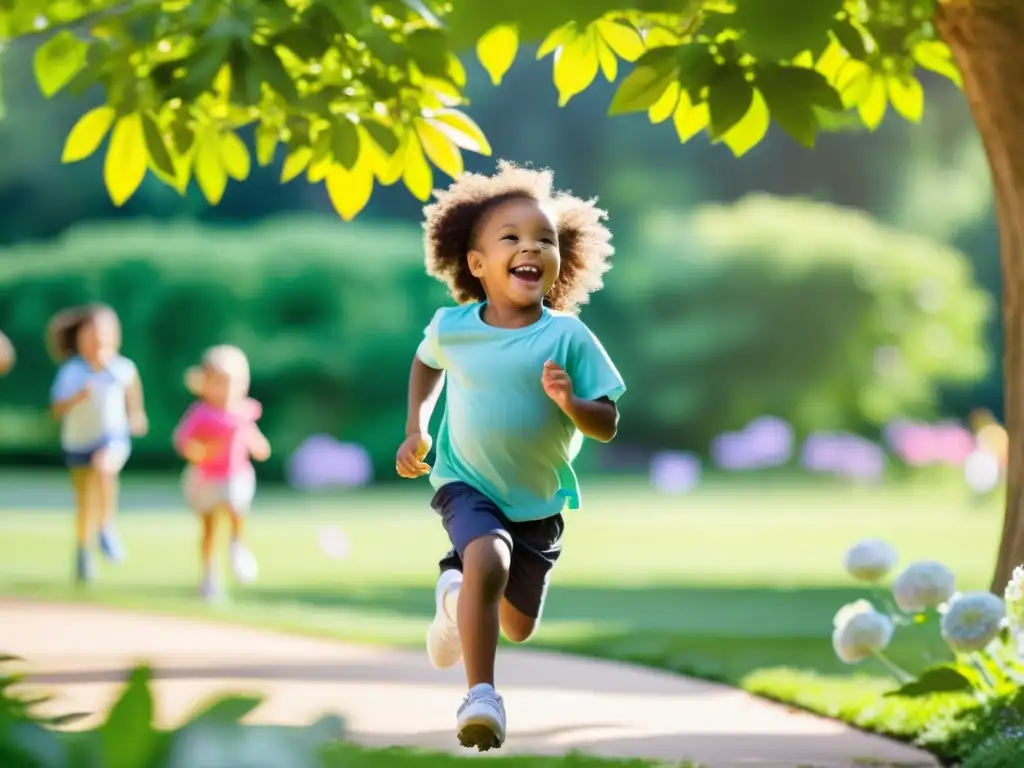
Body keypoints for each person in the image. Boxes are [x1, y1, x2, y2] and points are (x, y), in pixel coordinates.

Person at [395, 161, 626, 751]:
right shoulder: (453, 326)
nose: (531, 248)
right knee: (488, 557)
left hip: (538, 502)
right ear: (476, 264)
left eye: (544, 240)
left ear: (560, 260)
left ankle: (453, 599)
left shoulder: (568, 336)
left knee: (517, 624)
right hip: (464, 482)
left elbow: (606, 423)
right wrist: (417, 427)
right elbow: (426, 364)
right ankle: (482, 696)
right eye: (512, 238)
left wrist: (572, 402)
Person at [47, 304, 148, 583]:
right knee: (83, 503)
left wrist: (137, 416)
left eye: (104, 333)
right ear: (80, 337)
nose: (98, 340)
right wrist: (77, 398)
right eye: (91, 333)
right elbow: (56, 408)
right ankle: (83, 550)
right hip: (78, 442)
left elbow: (133, 395)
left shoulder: (122, 368)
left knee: (105, 467)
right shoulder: (72, 371)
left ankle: (106, 527)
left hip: (112, 436)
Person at [173, 345, 269, 602]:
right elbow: (183, 440)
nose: (227, 390)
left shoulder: (244, 411)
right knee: (209, 528)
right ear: (205, 383)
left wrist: (258, 446)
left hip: (235, 475)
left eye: (234, 383)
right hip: (207, 479)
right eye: (220, 383)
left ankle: (238, 547)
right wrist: (199, 452)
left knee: (236, 508)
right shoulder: (202, 413)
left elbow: (253, 439)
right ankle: (209, 575)